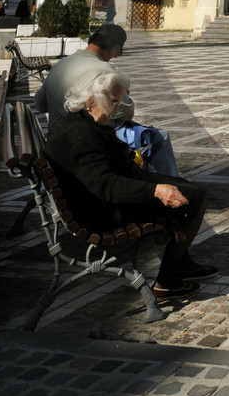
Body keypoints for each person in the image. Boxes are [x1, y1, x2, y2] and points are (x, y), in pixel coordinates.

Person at [45, 66, 216, 300]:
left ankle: (181, 262)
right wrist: (155, 190)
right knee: (195, 197)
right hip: (100, 212)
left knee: (183, 185)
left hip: (100, 197)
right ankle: (166, 280)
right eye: (113, 101)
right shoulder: (80, 135)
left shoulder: (79, 122)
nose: (116, 108)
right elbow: (105, 185)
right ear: (91, 98)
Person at [36, 24, 181, 176]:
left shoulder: (61, 64)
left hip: (57, 137)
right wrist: (125, 95)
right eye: (116, 52)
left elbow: (40, 104)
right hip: (88, 137)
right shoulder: (105, 70)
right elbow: (126, 114)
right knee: (159, 137)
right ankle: (167, 187)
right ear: (115, 48)